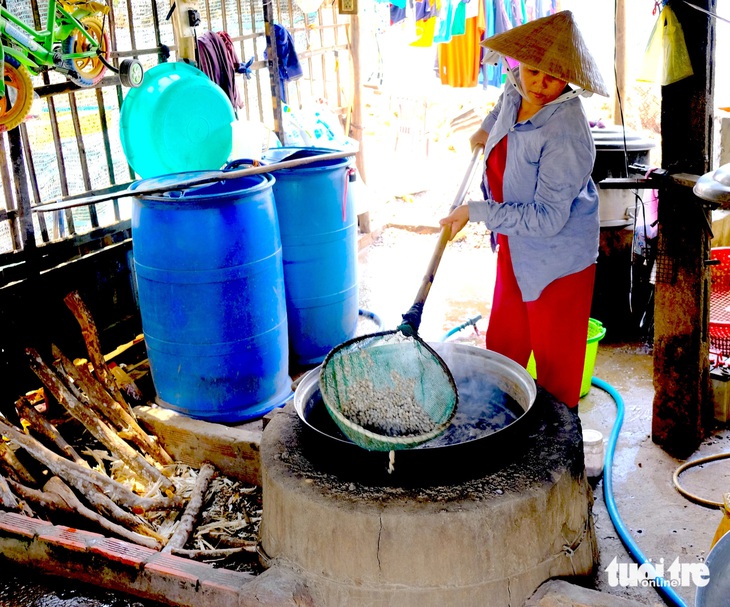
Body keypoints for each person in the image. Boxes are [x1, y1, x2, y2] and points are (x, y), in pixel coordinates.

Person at [439, 10, 609, 409]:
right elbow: (504, 103)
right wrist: (485, 127)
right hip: (515, 243)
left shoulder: (566, 132)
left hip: (558, 258)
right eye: (533, 72)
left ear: (570, 77)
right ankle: (500, 417)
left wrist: (476, 211)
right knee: (505, 341)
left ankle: (556, 443)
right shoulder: (518, 86)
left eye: (553, 76)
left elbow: (548, 219)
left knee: (555, 364)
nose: (540, 85)